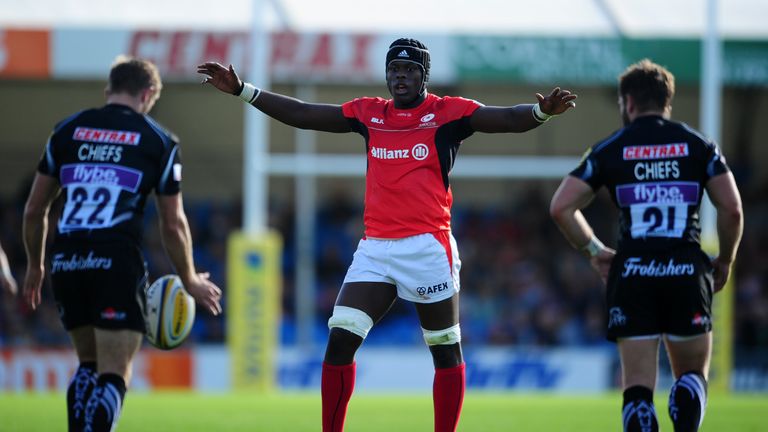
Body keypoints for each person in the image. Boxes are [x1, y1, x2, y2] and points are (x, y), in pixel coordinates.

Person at [199, 37, 576, 432]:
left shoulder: (446, 113)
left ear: (424, 75)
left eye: (410, 69)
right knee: (341, 338)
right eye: (394, 69)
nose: (400, 76)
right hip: (376, 249)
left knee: (445, 349)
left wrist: (540, 112)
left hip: (428, 247)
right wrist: (244, 91)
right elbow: (305, 113)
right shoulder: (369, 113)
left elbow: (504, 118)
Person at [22, 55, 223, 432]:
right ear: (148, 94)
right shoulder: (158, 140)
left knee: (88, 365)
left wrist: (36, 265)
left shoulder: (66, 131)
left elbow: (35, 209)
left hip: (66, 260)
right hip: (115, 260)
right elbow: (173, 223)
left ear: (108, 91)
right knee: (115, 372)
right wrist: (190, 277)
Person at [550, 59, 743, 432]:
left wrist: (595, 252)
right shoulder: (698, 145)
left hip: (633, 270)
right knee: (691, 374)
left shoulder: (611, 148)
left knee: (637, 387)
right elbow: (732, 208)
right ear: (666, 102)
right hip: (686, 268)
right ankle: (686, 397)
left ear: (628, 103)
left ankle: (641, 413)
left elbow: (561, 206)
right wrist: (726, 260)